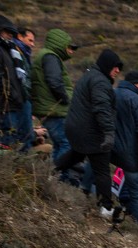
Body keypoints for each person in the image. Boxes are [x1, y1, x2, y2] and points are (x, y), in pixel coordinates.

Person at [54, 48, 122, 218]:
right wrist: (108, 132)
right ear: (107, 65)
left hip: (77, 128)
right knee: (102, 170)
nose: (118, 70)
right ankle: (106, 207)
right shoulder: (100, 82)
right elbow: (102, 108)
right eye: (115, 67)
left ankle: (50, 172)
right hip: (90, 131)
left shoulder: (90, 75)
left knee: (76, 154)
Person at [112, 70, 138, 232]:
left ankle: (101, 204)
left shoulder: (113, 94)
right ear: (136, 84)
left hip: (110, 149)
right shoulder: (137, 101)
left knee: (97, 173)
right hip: (131, 155)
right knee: (136, 193)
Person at [30, 28, 75, 162]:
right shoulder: (50, 57)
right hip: (53, 109)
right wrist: (65, 98)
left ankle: (54, 176)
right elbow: (55, 82)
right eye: (69, 46)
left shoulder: (46, 56)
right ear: (60, 43)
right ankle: (60, 177)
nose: (71, 50)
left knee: (59, 144)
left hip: (49, 108)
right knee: (65, 144)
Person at [0, 15, 24, 149]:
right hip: (3, 105)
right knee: (4, 144)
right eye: (7, 32)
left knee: (11, 142)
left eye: (12, 33)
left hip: (11, 104)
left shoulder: (9, 50)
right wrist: (10, 94)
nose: (10, 35)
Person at [11, 26, 33, 151]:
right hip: (20, 99)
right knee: (24, 136)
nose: (33, 44)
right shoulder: (15, 52)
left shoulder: (23, 53)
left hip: (23, 98)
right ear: (20, 36)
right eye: (30, 40)